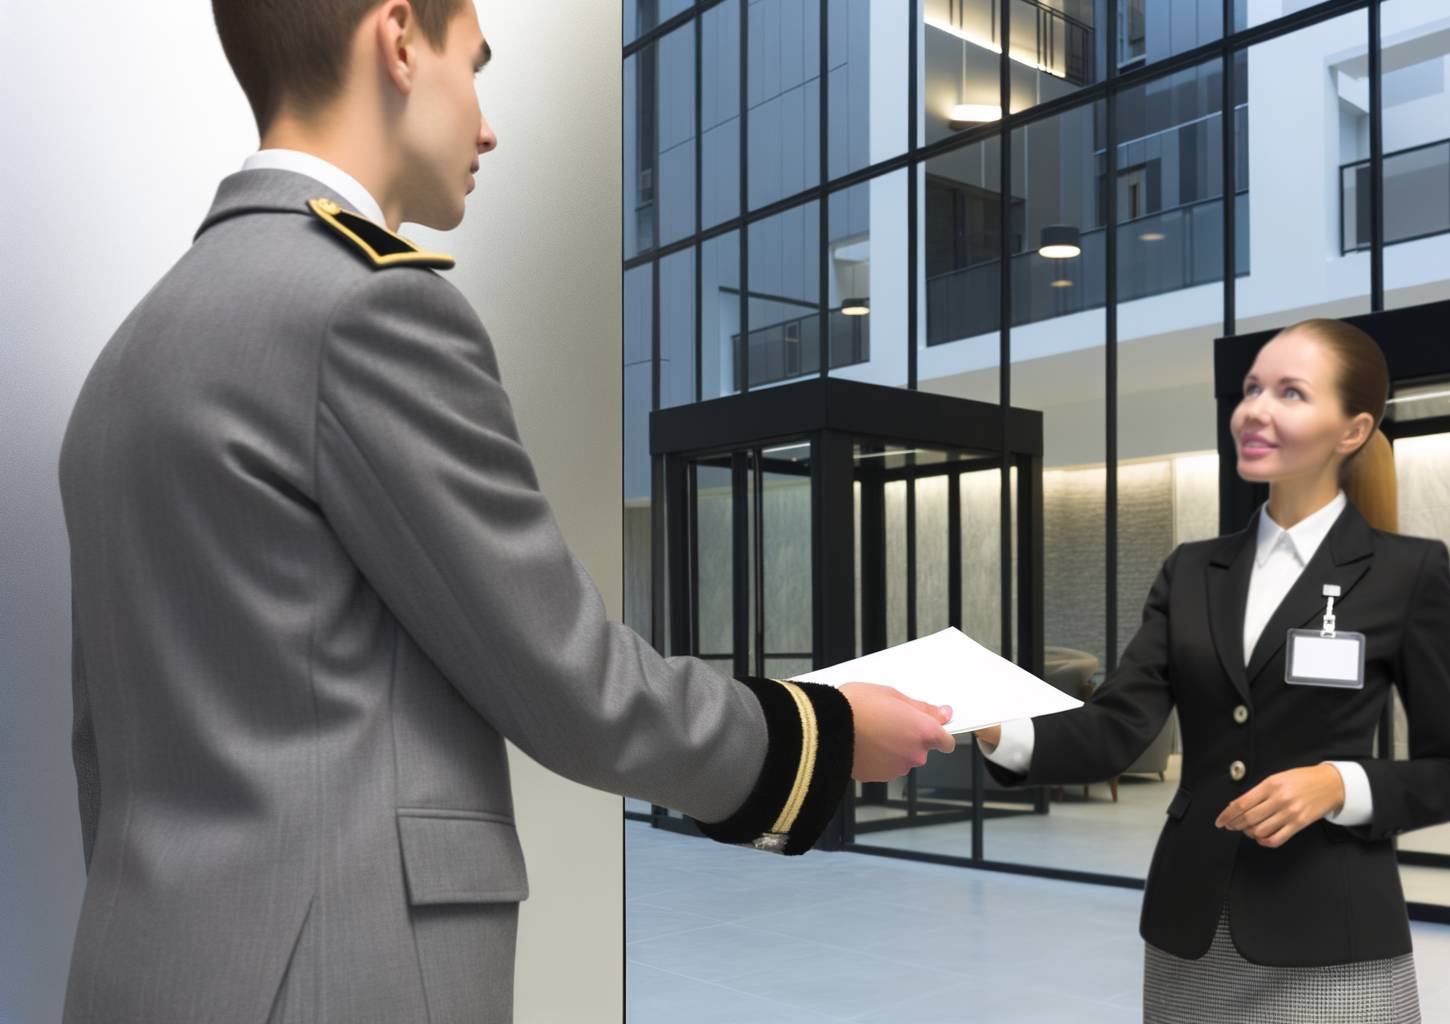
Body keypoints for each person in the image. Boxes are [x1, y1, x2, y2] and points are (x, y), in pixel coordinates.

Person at [56, 2, 955, 1021]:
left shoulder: (132, 354)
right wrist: (822, 731)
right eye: (473, 67)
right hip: (335, 981)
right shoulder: (365, 306)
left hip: (142, 968)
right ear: (400, 39)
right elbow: (572, 682)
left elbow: (107, 747)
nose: (487, 127)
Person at [976, 319, 1450, 1022]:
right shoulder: (1190, 571)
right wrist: (997, 728)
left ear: (1353, 430)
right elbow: (1119, 726)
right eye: (1251, 389)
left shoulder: (1407, 571)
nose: (1255, 410)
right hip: (1192, 925)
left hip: (1333, 934)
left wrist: (1338, 783)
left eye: (1291, 392)